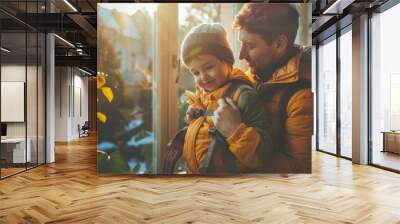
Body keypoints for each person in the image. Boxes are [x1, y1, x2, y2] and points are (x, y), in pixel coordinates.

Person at [214, 3, 313, 173]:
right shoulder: (252, 76)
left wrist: (235, 133)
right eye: (241, 44)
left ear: (279, 44)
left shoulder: (302, 97)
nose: (241, 55)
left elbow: (300, 169)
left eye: (251, 46)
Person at [178, 23, 268, 174]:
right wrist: (198, 115)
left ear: (227, 62)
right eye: (196, 73)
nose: (203, 77)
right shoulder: (204, 94)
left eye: (208, 67)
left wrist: (235, 131)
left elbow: (262, 155)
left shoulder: (244, 96)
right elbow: (212, 118)